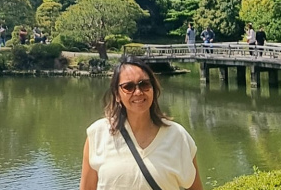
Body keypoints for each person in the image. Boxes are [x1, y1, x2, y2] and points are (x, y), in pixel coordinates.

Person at [79, 56, 203, 190]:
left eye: (144, 84)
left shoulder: (178, 136)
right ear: (117, 95)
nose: (138, 92)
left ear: (153, 88)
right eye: (128, 87)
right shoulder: (97, 134)